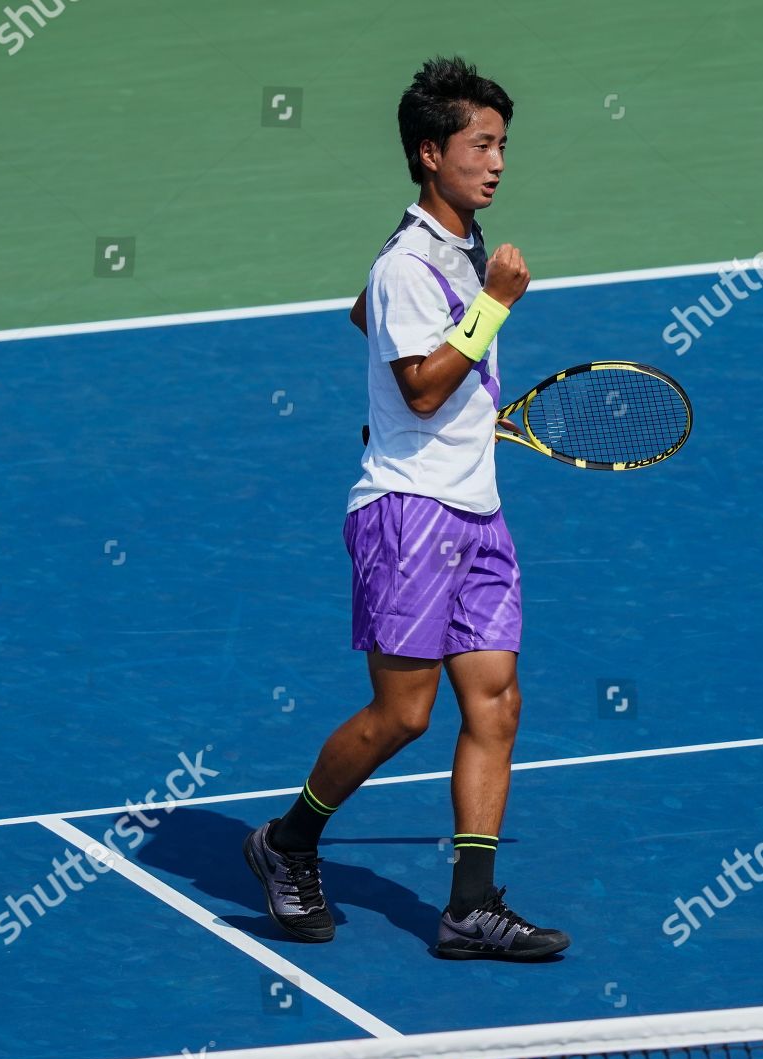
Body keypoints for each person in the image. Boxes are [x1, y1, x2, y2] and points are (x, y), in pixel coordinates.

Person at [243, 56, 569, 961]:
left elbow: (378, 336)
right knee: (404, 714)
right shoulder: (411, 265)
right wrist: (493, 310)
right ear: (430, 154)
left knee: (495, 704)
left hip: (477, 508)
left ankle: (470, 905)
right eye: (481, 145)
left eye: (503, 145)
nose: (498, 162)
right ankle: (287, 841)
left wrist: (455, 407)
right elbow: (423, 387)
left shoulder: (451, 250)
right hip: (409, 514)